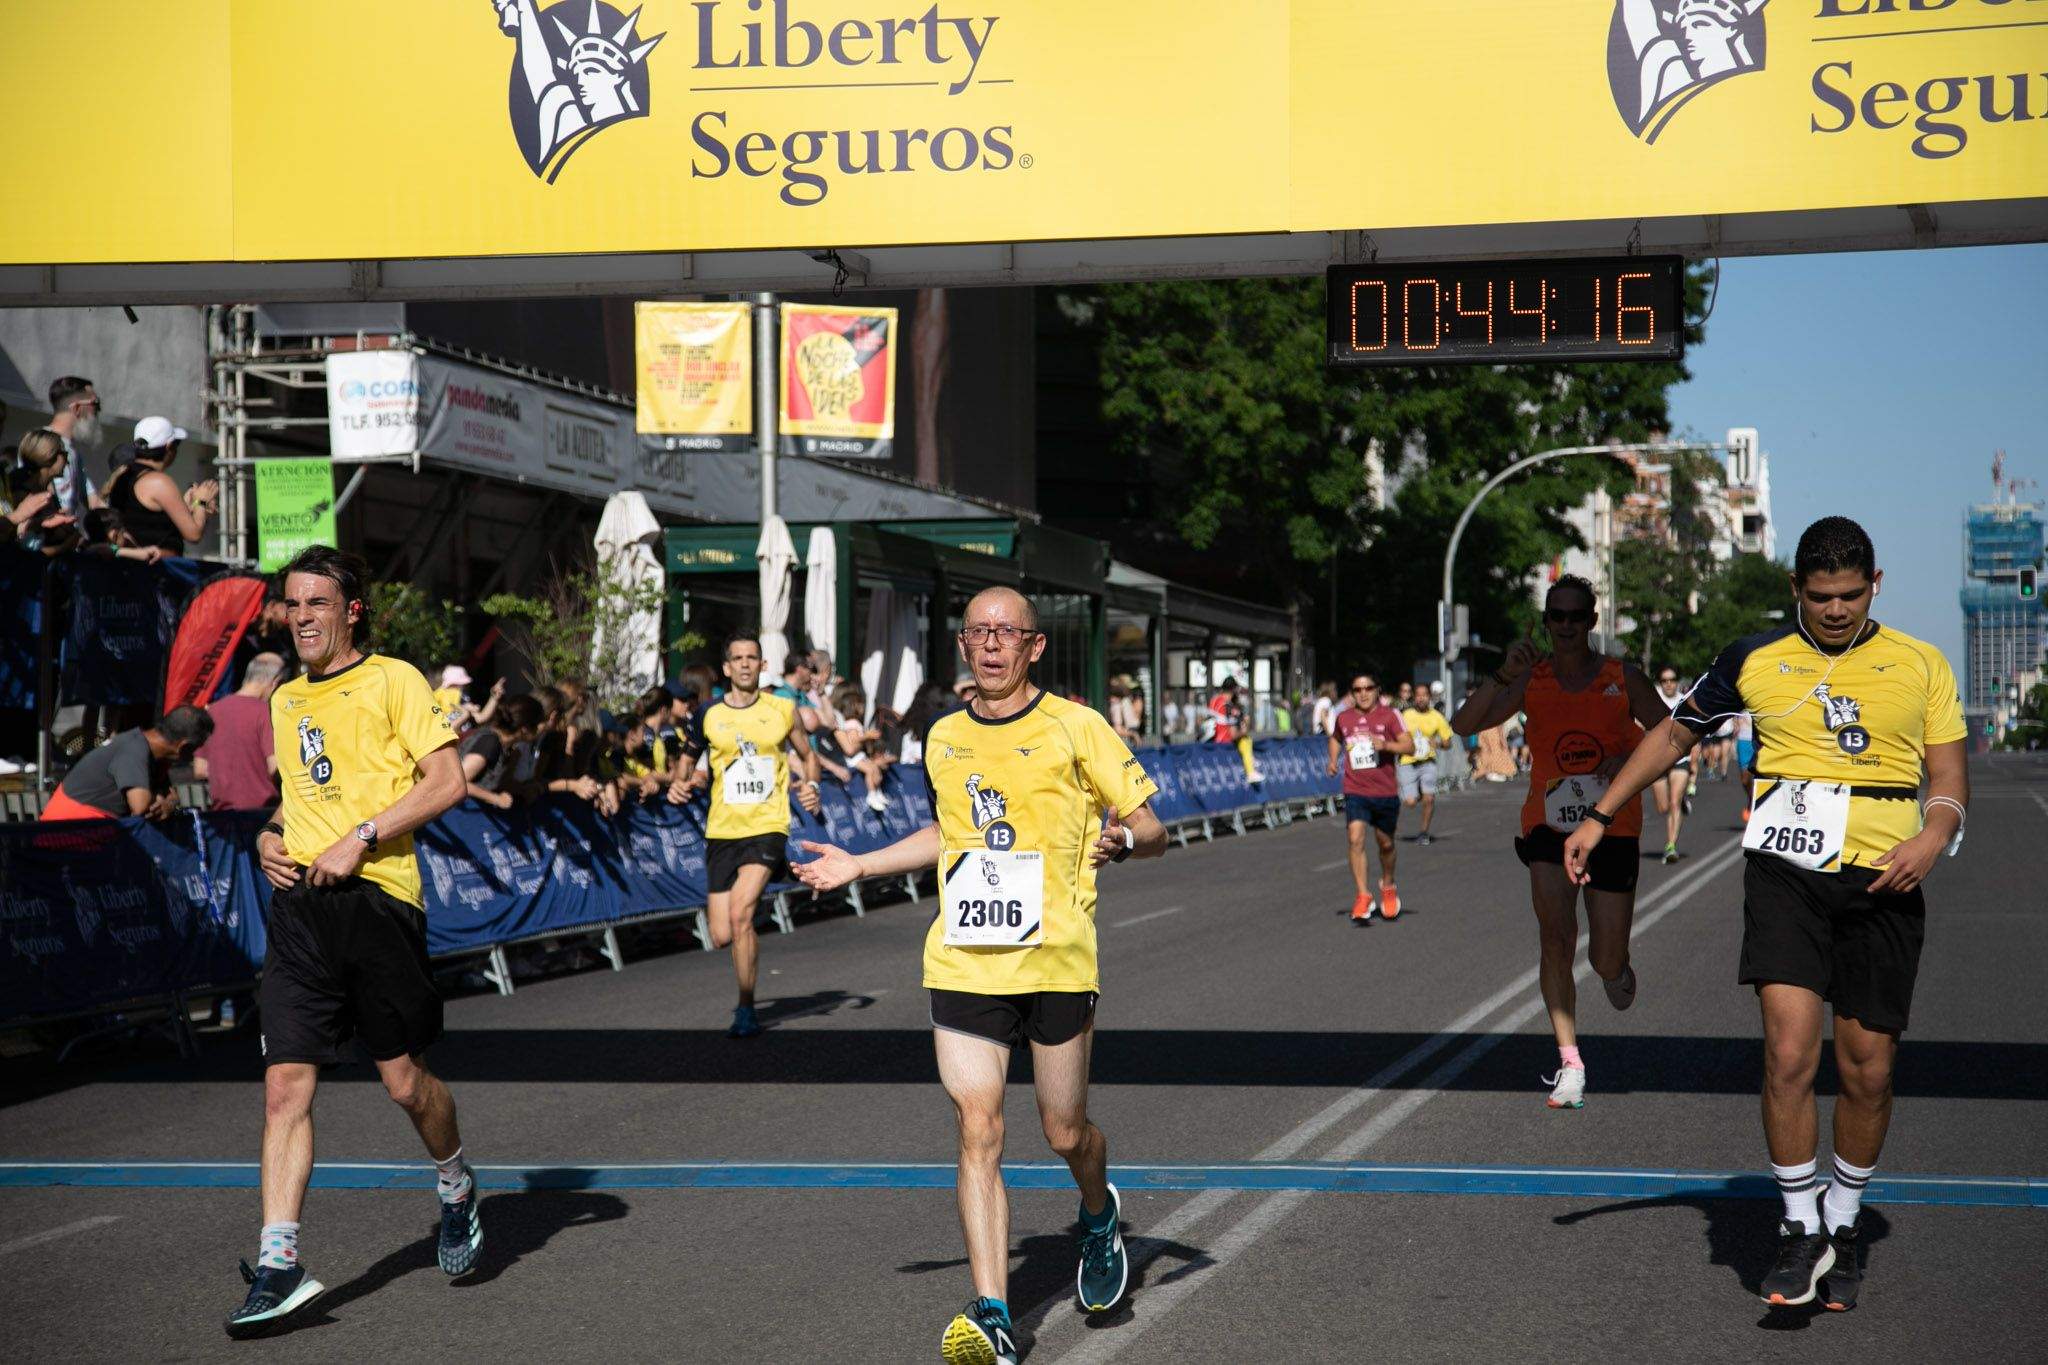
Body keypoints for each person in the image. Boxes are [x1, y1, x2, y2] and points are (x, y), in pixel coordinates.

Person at [1564, 517, 1966, 1313]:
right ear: (1796, 589)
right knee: (1788, 1053)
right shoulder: (1754, 657)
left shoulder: (1920, 663)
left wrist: (1935, 831)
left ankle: (1844, 1226)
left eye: (1852, 595)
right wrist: (1601, 813)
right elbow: (1675, 731)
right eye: (1821, 597)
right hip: (1785, 873)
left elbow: (1948, 775)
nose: (1837, 609)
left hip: (1885, 879)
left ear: (1874, 586)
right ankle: (1796, 1227)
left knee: (1867, 1068)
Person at [794, 587, 1167, 1363]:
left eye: (1008, 632)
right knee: (978, 1126)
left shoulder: (1076, 725)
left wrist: (1123, 844)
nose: (992, 643)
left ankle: (1098, 1216)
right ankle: (994, 1310)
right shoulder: (942, 736)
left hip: (1058, 957)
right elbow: (946, 830)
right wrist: (860, 862)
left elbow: (1152, 828)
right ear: (963, 646)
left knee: (1064, 1129)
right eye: (979, 631)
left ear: (1035, 647)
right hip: (964, 956)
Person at [230, 545, 471, 1339]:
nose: (301, 616)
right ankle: (278, 1262)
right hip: (300, 911)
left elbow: (447, 781)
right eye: (292, 604)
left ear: (350, 610)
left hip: (378, 902)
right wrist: (272, 834)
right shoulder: (286, 698)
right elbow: (298, 797)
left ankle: (457, 1185)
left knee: (405, 1084)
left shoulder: (394, 679)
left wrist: (360, 838)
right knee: (284, 1087)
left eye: (317, 604)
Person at [1450, 575, 1667, 1110]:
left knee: (1604, 957)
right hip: (1547, 825)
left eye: (1575, 616)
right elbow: (1463, 724)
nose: (1565, 625)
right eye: (1556, 616)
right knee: (1555, 936)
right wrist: (1504, 673)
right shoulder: (1532, 679)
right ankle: (1570, 1062)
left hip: (1612, 824)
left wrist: (1628, 759)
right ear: (1546, 623)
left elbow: (1671, 733)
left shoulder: (1623, 676)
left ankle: (1616, 968)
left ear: (1591, 621)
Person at [671, 635, 823, 1039]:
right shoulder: (707, 714)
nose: (744, 665)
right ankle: (748, 945)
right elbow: (685, 764)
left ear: (762, 664)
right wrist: (679, 785)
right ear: (726, 667)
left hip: (768, 825)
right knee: (721, 934)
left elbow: (808, 757)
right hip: (722, 829)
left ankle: (745, 1007)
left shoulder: (782, 709)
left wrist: (811, 785)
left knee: (741, 913)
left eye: (751, 658)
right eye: (736, 658)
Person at [1329, 673, 1413, 922]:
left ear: (1377, 690)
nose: (1363, 693)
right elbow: (1335, 738)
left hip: (1385, 791)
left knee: (1385, 844)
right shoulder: (1344, 717)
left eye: (1368, 688)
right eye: (1357, 689)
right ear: (1352, 693)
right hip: (1355, 789)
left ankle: (1388, 885)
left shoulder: (1390, 715)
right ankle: (1363, 895)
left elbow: (1409, 747)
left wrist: (1385, 745)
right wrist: (1333, 760)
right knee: (1355, 838)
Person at [38, 707, 213, 822]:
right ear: (184, 746)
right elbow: (141, 805)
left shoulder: (151, 754)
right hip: (64, 839)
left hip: (91, 835)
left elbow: (167, 794)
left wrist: (171, 801)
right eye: (197, 749)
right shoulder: (134, 749)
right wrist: (166, 801)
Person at [98, 417, 216, 555]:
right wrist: (201, 501)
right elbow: (193, 534)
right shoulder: (158, 482)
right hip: (156, 569)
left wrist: (188, 508)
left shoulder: (125, 476)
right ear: (169, 447)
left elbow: (149, 524)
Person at [196, 653, 285, 811]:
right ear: (276, 683)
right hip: (262, 813)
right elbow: (274, 768)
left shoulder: (211, 712)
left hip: (221, 815)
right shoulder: (265, 712)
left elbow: (200, 769)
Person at [1398, 682, 1455, 845]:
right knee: (1409, 802)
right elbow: (1395, 734)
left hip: (1427, 762)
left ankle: (1424, 832)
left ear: (1429, 697)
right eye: (1418, 695)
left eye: (1424, 695)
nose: (1421, 698)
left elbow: (1448, 742)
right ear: (1414, 697)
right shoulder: (1406, 715)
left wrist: (1436, 743)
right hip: (1408, 761)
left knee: (1429, 799)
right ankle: (1416, 792)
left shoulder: (1437, 717)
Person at [1651, 666, 1694, 863]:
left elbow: (1696, 733)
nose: (1668, 683)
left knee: (1674, 803)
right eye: (1664, 680)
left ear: (1677, 681)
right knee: (1663, 807)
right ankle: (1683, 802)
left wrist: (1693, 768)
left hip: (1680, 759)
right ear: (1660, 682)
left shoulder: (1684, 702)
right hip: (1658, 760)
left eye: (1672, 679)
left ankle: (1671, 846)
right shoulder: (1652, 699)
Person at [44, 375, 102, 517]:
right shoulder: (40, 444)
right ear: (77, 408)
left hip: (68, 536)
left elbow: (94, 502)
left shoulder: (72, 452)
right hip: (47, 537)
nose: (98, 411)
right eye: (95, 404)